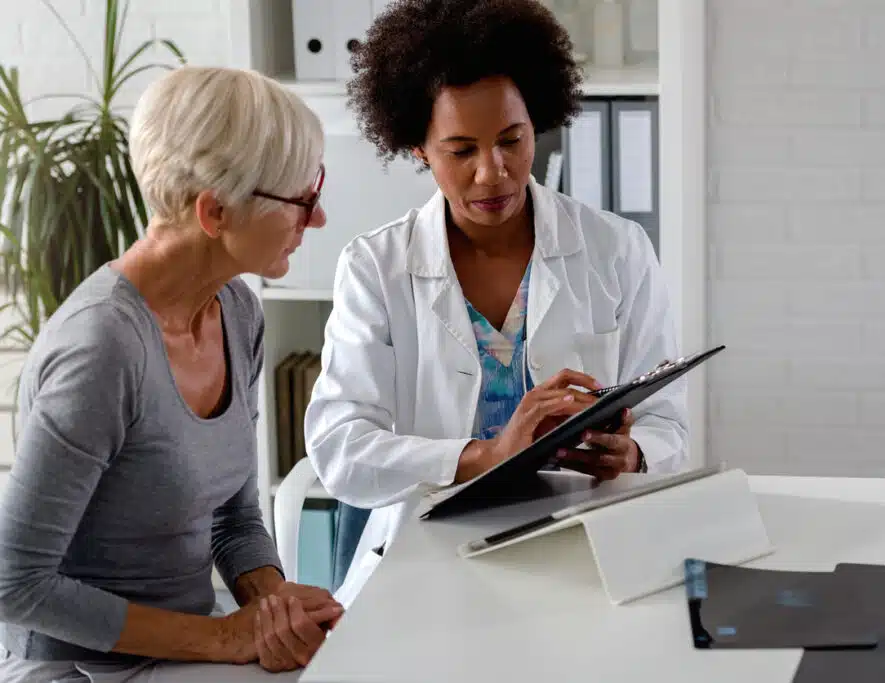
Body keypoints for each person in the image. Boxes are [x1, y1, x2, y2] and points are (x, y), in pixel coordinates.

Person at [305, 0, 688, 603]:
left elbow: (670, 423)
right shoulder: (375, 268)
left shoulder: (617, 249)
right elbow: (341, 448)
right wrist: (487, 455)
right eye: (461, 150)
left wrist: (634, 452)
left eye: (513, 140)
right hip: (427, 563)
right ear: (418, 147)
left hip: (587, 551)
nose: (494, 172)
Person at [0, 66, 343, 682]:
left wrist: (272, 607)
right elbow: (14, 583)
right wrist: (221, 639)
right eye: (302, 198)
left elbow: (233, 519)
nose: (315, 220)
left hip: (183, 651)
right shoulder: (101, 350)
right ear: (215, 212)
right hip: (80, 670)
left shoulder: (237, 312)